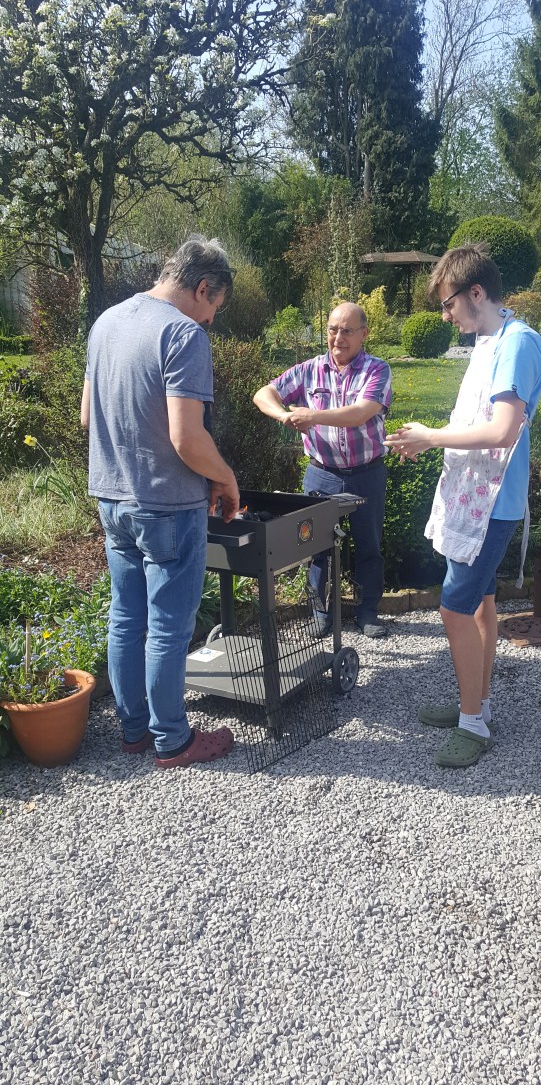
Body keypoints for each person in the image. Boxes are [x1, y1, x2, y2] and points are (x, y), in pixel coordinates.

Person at [80, 235, 240, 768]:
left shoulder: (106, 323)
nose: (210, 321)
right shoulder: (183, 333)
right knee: (169, 624)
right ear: (203, 288)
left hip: (111, 497)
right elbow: (187, 438)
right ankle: (173, 739)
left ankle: (134, 731)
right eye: (214, 308)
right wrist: (225, 477)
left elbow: (87, 416)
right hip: (167, 504)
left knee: (126, 617)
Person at [385, 243, 541, 768]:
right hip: (475, 499)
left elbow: (502, 430)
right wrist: (427, 438)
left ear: (476, 292)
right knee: (480, 605)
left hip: (491, 506)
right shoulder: (489, 340)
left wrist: (432, 437)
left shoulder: (517, 344)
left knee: (454, 608)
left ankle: (473, 724)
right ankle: (476, 704)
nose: (445, 315)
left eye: (448, 303)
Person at [253, 302, 392, 639]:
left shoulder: (377, 370)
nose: (338, 337)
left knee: (369, 545)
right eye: (332, 329)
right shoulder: (308, 370)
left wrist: (311, 415)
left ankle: (368, 612)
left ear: (363, 334)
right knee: (314, 546)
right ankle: (319, 613)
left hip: (367, 473)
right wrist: (285, 416)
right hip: (322, 473)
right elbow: (263, 394)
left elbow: (360, 413)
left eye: (347, 330)